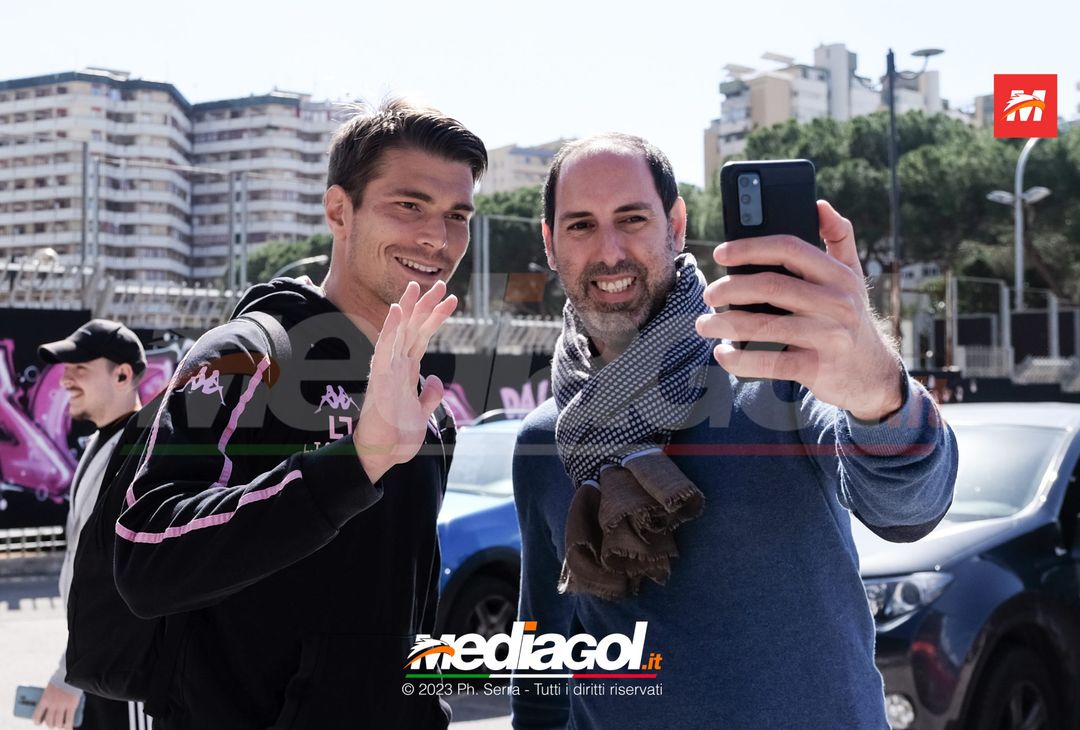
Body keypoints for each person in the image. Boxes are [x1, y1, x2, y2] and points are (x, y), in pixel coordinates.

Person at [511, 134, 957, 729]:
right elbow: (540, 666)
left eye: (632, 218)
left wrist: (879, 392)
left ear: (675, 222)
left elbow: (906, 507)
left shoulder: (779, 372)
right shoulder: (547, 440)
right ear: (549, 242)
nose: (609, 250)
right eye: (581, 226)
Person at [112, 99, 487, 729]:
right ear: (340, 210)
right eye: (410, 206)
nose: (437, 238)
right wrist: (354, 463)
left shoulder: (428, 410)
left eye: (458, 215)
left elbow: (408, 617)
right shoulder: (245, 357)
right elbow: (143, 557)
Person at [33, 319, 152, 730]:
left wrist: (67, 674)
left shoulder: (141, 454)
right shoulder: (105, 442)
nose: (64, 378)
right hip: (98, 669)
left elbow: (114, 583)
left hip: (126, 677)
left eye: (79, 367)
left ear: (122, 374)